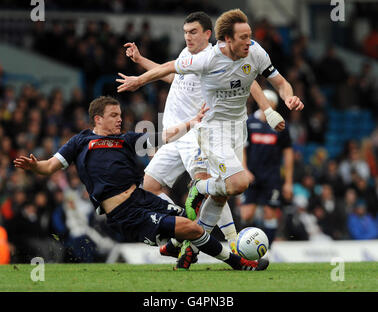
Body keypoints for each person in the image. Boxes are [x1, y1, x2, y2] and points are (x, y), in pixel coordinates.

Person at [116, 8, 303, 259]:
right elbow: (171, 74)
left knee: (217, 186)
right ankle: (183, 227)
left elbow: (252, 83)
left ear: (208, 34)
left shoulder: (212, 58)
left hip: (200, 131)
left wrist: (268, 110)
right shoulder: (189, 56)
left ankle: (225, 240)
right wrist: (140, 65)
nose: (188, 37)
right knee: (149, 187)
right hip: (174, 134)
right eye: (185, 33)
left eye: (193, 32)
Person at [14, 96, 269, 271]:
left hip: (141, 198)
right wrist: (34, 166)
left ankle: (172, 247)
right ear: (97, 119)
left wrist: (192, 122)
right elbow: (49, 166)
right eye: (113, 115)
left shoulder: (125, 139)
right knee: (189, 228)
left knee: (191, 219)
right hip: (123, 212)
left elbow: (162, 136)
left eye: (120, 115)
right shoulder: (79, 142)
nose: (119, 119)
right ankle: (237, 262)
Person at [239, 89, 294, 245]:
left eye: (272, 105)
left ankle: (266, 250)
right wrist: (244, 169)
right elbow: (241, 148)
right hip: (252, 175)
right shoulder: (249, 123)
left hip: (272, 176)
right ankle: (246, 246)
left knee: (270, 213)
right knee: (246, 214)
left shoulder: (281, 125)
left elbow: (288, 154)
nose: (269, 108)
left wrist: (288, 182)